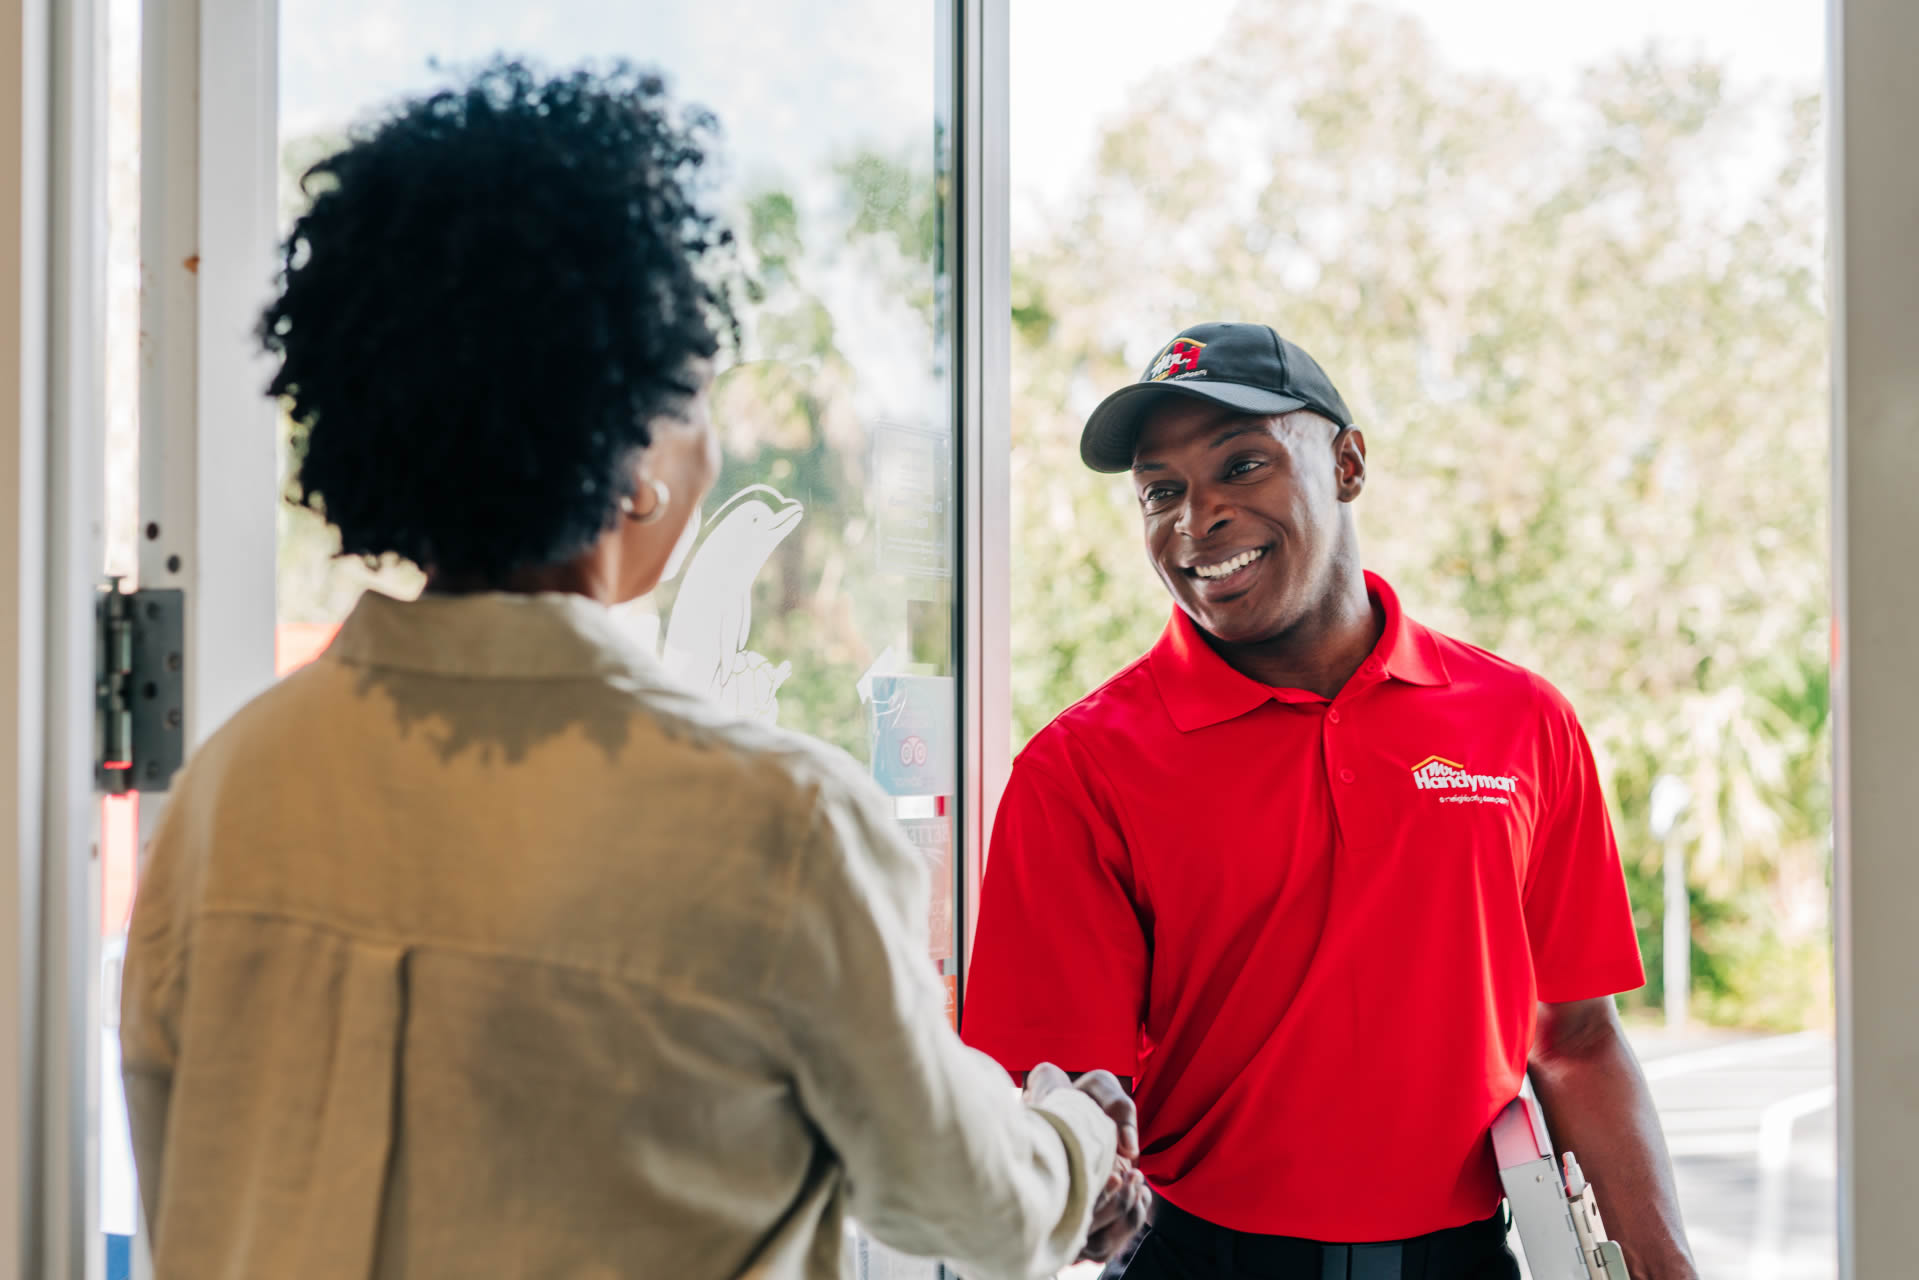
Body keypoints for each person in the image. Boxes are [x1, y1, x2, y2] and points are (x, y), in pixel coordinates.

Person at [119, 62, 1149, 1280]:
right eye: (699, 392)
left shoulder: (236, 783)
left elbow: (188, 1175)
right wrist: (1077, 1133)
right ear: (637, 459)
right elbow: (966, 1204)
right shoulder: (776, 821)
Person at [961, 322, 1700, 1279]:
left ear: (1347, 464)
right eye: (1161, 491)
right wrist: (1072, 1182)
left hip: (1467, 1264)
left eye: (1242, 464)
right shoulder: (1079, 770)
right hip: (1199, 1262)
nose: (1198, 518)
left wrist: (1666, 1262)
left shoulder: (1520, 722)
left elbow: (1576, 1043)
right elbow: (1058, 1090)